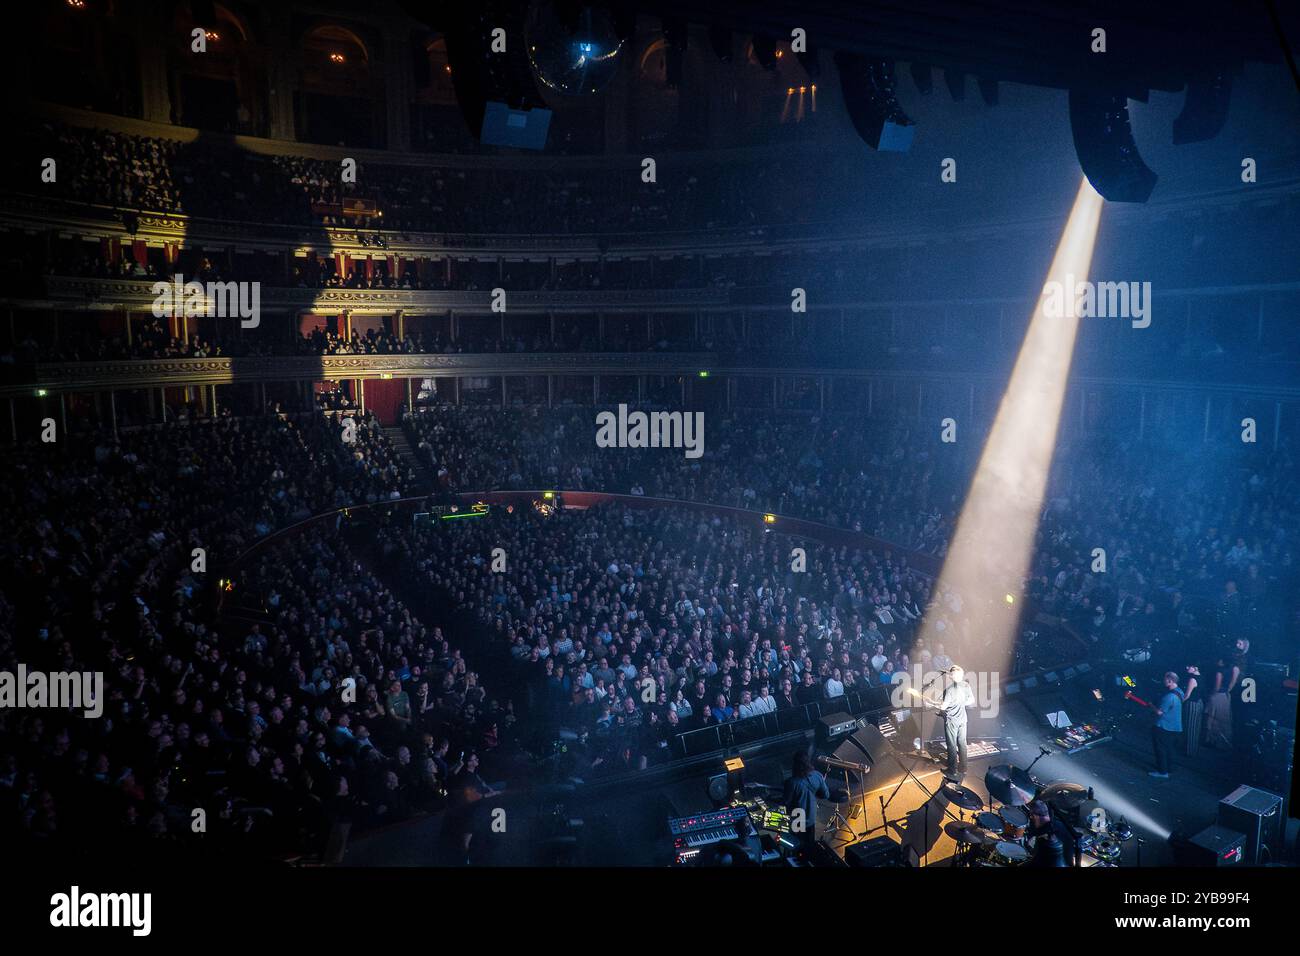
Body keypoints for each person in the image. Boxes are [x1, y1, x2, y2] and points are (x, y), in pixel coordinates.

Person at [783, 747, 830, 857]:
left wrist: (770, 798)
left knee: (795, 847)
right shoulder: (817, 775)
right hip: (811, 818)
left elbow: (786, 802)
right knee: (809, 847)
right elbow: (825, 795)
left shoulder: (791, 782)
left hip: (797, 820)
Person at [938, 666, 975, 780]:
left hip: (952, 720)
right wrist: (960, 703)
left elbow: (943, 707)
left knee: (952, 745)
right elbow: (971, 700)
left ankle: (952, 770)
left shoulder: (949, 690)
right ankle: (963, 767)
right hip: (963, 719)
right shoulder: (966, 685)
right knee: (962, 743)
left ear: (952, 676)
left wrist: (935, 704)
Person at [1149, 671, 1185, 778]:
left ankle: (1162, 772)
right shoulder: (1180, 692)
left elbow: (1159, 712)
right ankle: (1168, 769)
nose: (1163, 681)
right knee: (1169, 749)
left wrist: (1151, 705)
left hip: (1163, 726)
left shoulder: (1169, 697)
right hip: (1175, 727)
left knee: (1160, 749)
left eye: (1165, 679)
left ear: (1170, 680)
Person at [1025, 799, 1075, 867]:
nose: (1031, 818)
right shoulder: (1061, 824)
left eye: (1031, 816)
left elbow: (1038, 861)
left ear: (1035, 816)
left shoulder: (1045, 837)